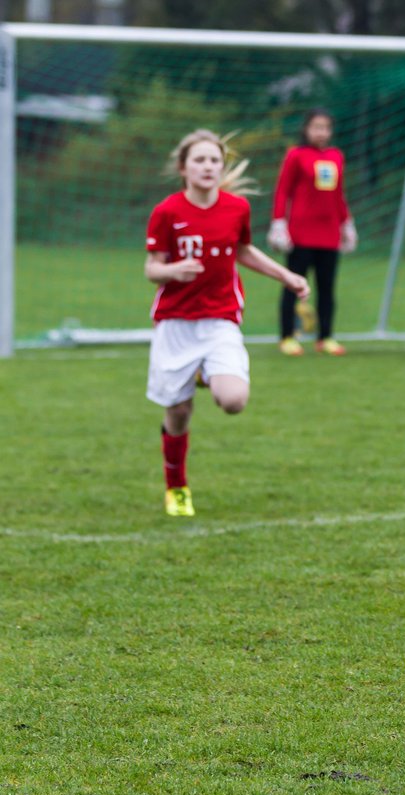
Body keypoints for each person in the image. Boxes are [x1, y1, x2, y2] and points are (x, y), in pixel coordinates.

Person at [146, 129, 310, 517]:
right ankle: (177, 486)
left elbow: (243, 251)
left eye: (214, 160)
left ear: (222, 167)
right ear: (183, 168)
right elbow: (151, 269)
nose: (208, 166)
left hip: (220, 320)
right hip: (176, 323)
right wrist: (174, 269)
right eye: (199, 160)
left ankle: (207, 371)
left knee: (234, 400)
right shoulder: (167, 211)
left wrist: (287, 276)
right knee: (179, 412)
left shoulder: (236, 208)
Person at [269, 108, 357, 356]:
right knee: (292, 285)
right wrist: (279, 223)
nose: (321, 132)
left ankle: (325, 337)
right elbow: (282, 191)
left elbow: (338, 194)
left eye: (326, 128)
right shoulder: (296, 155)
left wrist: (346, 223)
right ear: (306, 129)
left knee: (327, 288)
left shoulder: (336, 156)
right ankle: (287, 336)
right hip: (301, 233)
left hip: (329, 234)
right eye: (316, 127)